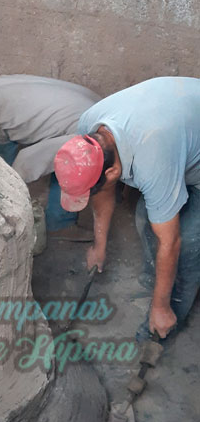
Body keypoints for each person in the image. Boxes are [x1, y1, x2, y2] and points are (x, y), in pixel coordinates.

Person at [53, 77, 200, 342]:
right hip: (176, 125)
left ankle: (166, 319)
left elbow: (171, 241)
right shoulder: (90, 129)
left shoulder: (153, 158)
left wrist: (160, 306)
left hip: (184, 143)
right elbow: (104, 190)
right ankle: (154, 284)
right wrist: (99, 246)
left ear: (112, 172)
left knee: (187, 242)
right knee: (145, 218)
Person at [0, 74, 101, 242]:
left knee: (66, 159)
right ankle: (58, 224)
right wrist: (11, 191)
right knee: (73, 167)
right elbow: (26, 162)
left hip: (0, 91)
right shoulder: (86, 137)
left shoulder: (102, 109)